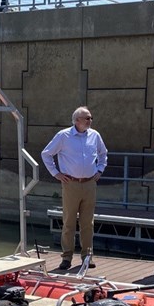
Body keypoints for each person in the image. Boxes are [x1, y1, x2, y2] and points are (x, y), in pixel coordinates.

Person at [41, 106, 108, 271]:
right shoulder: (63, 136)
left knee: (88, 223)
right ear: (77, 120)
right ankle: (67, 258)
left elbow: (103, 153)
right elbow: (46, 154)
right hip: (70, 183)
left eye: (91, 118)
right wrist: (56, 174)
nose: (90, 121)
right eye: (87, 118)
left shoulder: (95, 135)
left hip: (89, 183)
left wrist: (100, 169)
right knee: (69, 222)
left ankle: (87, 257)